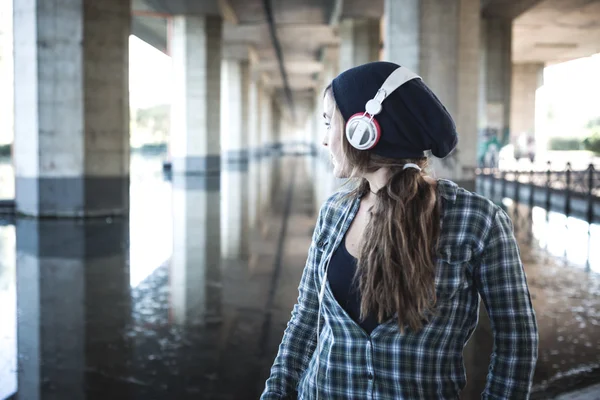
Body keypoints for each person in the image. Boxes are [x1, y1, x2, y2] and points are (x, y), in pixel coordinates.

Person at [260, 62, 538, 400]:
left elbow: (517, 341)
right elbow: (304, 322)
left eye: (328, 122)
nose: (323, 139)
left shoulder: (478, 221)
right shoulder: (333, 213)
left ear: (362, 129)